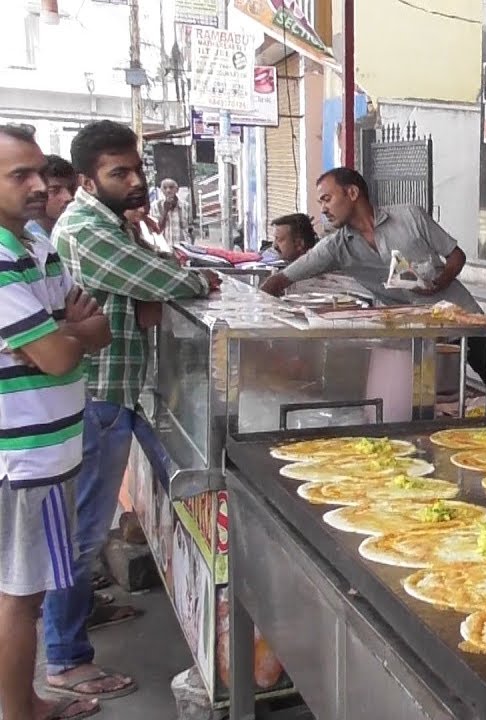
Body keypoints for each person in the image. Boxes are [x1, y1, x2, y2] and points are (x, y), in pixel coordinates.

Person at [48, 120, 220, 703]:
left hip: (114, 391)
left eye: (136, 169)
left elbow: (148, 284)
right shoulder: (87, 230)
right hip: (96, 397)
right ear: (87, 181)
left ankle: (78, 621)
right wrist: (192, 278)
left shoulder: (108, 225)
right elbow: (164, 279)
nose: (135, 181)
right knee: (80, 533)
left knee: (85, 529)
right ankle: (66, 659)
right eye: (119, 172)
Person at [0, 124, 110, 720]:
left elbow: (99, 328)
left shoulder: (36, 246)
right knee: (22, 596)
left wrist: (57, 334)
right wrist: (63, 336)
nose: (40, 185)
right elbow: (65, 353)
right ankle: (21, 712)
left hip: (52, 446)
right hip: (29, 456)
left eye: (41, 172)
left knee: (25, 590)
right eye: (21, 175)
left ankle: (27, 702)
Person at [260, 168, 486, 393]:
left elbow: (456, 256)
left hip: (463, 319)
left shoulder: (411, 218)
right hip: (413, 338)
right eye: (321, 203)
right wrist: (259, 319)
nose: (323, 209)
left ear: (352, 193)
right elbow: (282, 279)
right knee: (434, 401)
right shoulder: (336, 248)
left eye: (327, 199)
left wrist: (441, 281)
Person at [24, 154, 76, 244]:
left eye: (71, 189)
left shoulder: (76, 229)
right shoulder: (28, 240)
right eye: (54, 190)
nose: (69, 197)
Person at [149, 178, 189, 251]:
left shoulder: (185, 206)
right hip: (163, 246)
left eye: (171, 187)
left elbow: (188, 227)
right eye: (165, 188)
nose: (168, 190)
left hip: (181, 246)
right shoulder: (155, 206)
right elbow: (155, 228)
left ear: (177, 189)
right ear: (161, 190)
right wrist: (165, 210)